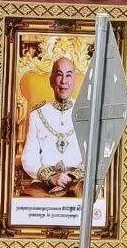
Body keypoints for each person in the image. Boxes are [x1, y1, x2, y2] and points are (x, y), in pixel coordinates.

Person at [21, 57, 84, 195]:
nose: (64, 82)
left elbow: (93, 157)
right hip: (44, 184)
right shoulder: (37, 114)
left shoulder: (87, 114)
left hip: (77, 183)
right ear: (51, 81)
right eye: (59, 75)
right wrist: (50, 177)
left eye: (68, 75)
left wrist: (70, 178)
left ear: (74, 82)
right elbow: (29, 158)